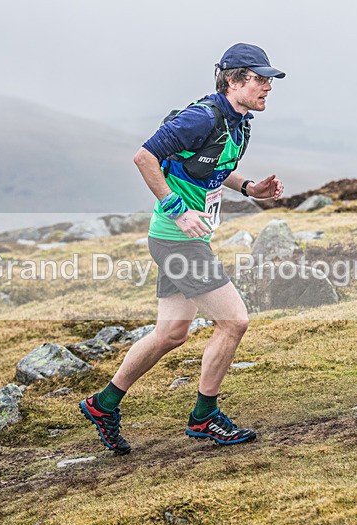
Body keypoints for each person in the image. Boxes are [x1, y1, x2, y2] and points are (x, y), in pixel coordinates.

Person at [80, 43, 286, 455]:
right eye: (259, 79)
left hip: (184, 239)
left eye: (269, 80)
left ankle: (102, 405)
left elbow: (210, 168)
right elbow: (144, 158)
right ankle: (204, 417)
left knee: (171, 333)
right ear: (233, 80)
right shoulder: (200, 117)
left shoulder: (238, 122)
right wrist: (176, 210)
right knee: (234, 321)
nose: (268, 87)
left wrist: (249, 188)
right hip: (178, 240)